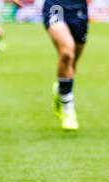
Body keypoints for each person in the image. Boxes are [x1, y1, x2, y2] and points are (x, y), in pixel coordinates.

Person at [43, 0, 89, 131]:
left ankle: (61, 90)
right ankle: (69, 110)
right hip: (56, 6)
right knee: (67, 53)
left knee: (72, 64)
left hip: (79, 9)